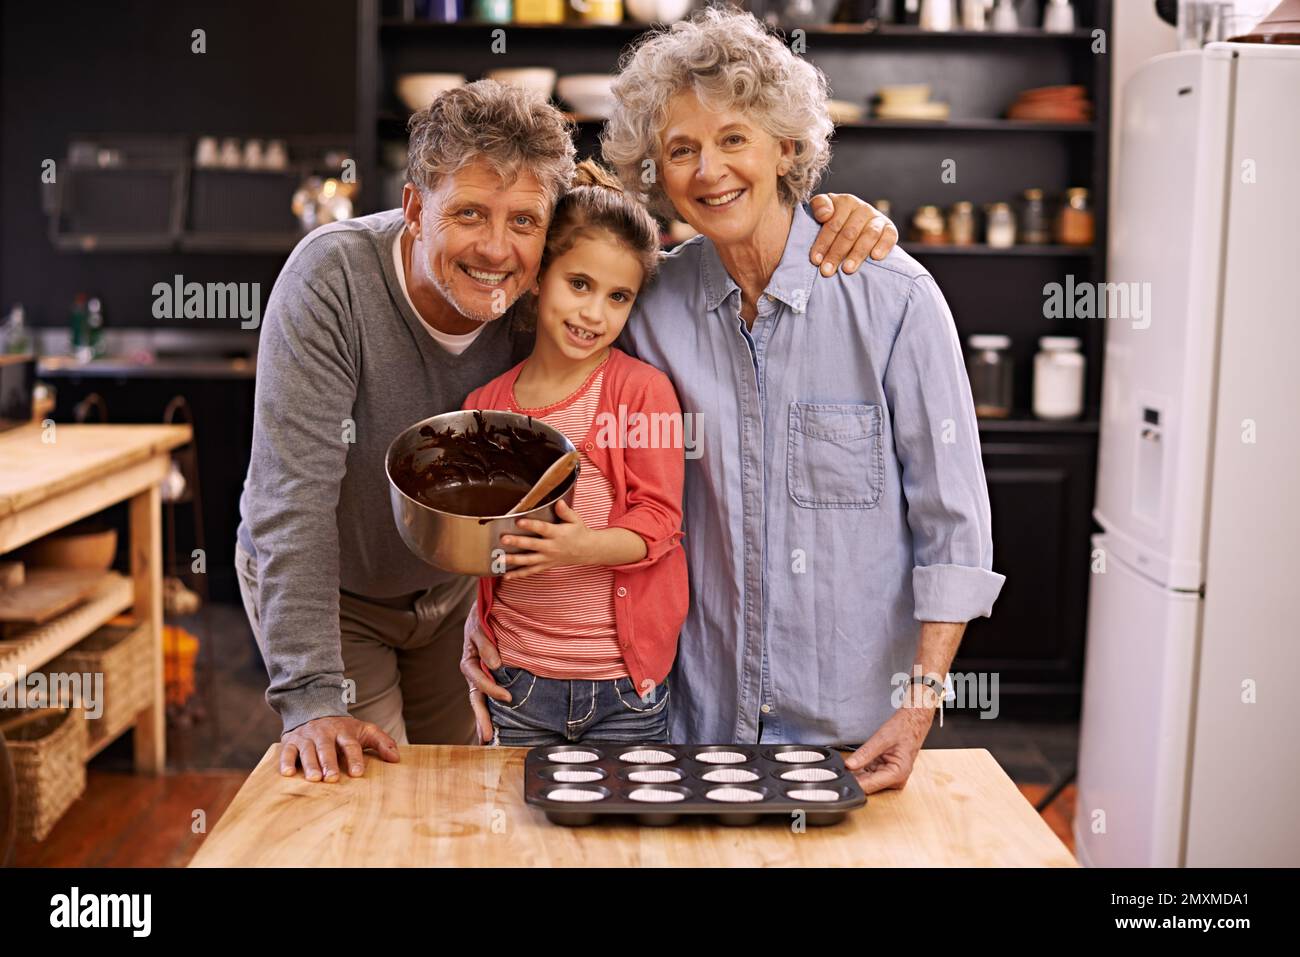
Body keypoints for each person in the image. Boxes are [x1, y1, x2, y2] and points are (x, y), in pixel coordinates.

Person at [236, 78, 897, 783]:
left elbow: (631, 256)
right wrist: (308, 695)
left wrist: (820, 220)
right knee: (369, 795)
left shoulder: (541, 293)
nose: (495, 250)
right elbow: (291, 502)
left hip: (457, 589)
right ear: (414, 209)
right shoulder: (329, 281)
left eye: (523, 222)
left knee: (457, 794)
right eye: (468, 214)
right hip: (341, 593)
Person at [464, 8, 1007, 793]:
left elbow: (954, 528)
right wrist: (483, 623)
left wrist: (921, 700)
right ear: (658, 172)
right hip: (691, 724)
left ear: (787, 148)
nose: (708, 170)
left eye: (733, 139)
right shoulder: (647, 303)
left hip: (853, 731)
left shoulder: (895, 300)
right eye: (681, 149)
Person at [463, 159, 686, 746]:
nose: (594, 314)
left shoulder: (643, 391)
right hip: (517, 682)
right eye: (579, 284)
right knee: (517, 834)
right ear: (539, 275)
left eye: (618, 297)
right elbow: (480, 541)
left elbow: (660, 522)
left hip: (622, 688)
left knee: (626, 835)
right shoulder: (485, 404)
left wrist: (580, 548)